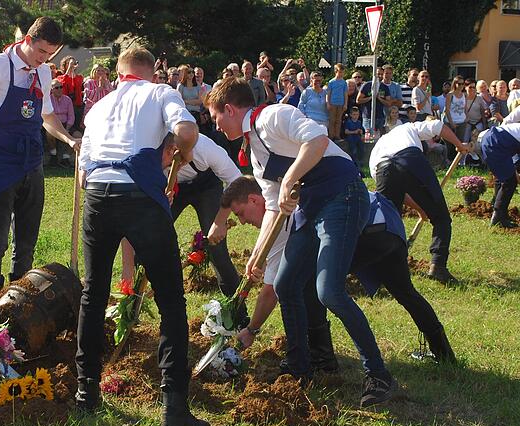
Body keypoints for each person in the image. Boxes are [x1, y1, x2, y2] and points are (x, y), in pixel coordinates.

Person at [205, 77, 395, 407]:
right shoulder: (256, 155)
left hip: (343, 196)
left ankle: (378, 374)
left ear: (230, 109)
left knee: (329, 291)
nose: (216, 125)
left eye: (216, 117)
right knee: (286, 282)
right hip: (311, 207)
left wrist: (291, 177)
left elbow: (317, 139)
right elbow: (273, 204)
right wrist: (258, 254)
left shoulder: (272, 116)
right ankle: (298, 366)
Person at [77, 46, 209, 426]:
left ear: (119, 74)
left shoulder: (98, 107)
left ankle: (86, 391)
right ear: (152, 72)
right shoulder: (160, 93)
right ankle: (174, 411)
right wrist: (181, 154)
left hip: (98, 196)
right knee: (171, 300)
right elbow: (188, 131)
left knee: (93, 293)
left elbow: (84, 170)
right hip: (138, 198)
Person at [218, 176, 456, 365]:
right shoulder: (286, 195)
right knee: (404, 291)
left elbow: (272, 291)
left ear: (254, 200)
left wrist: (251, 330)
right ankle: (443, 353)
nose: (242, 221)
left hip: (362, 229)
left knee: (308, 281)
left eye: (240, 213)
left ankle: (322, 357)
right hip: (388, 227)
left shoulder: (280, 217)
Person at [0, 17, 80, 303]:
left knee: (26, 243)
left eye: (51, 54)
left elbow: (46, 116)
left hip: (32, 162)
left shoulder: (43, 72)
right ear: (28, 40)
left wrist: (68, 139)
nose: (45, 59)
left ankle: (18, 306)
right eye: (42, 52)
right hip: (0, 162)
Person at [121, 132, 242, 297]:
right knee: (146, 240)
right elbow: (134, 215)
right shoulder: (146, 154)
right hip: (170, 190)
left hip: (207, 187)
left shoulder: (204, 147)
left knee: (216, 249)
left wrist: (219, 221)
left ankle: (237, 312)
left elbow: (236, 180)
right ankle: (131, 302)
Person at [369, 118, 471, 283]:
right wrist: (459, 145)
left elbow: (398, 190)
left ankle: (384, 267)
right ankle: (438, 266)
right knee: (441, 218)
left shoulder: (379, 145)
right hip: (410, 159)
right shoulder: (410, 127)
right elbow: (437, 126)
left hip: (382, 169)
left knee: (389, 221)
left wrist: (420, 208)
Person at [475, 123, 520, 228]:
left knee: (504, 178)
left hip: (491, 140)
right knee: (510, 181)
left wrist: (515, 170)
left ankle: (500, 213)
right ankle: (498, 217)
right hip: (495, 143)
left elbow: (516, 160)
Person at [47, 78, 75, 167]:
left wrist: (67, 128)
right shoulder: (48, 100)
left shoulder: (67, 100)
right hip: (53, 125)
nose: (59, 89)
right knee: (49, 134)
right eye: (57, 88)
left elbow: (71, 116)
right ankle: (53, 156)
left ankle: (65, 158)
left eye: (61, 87)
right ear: (51, 89)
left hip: (66, 124)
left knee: (78, 136)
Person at [58, 56, 85, 131]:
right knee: (67, 125)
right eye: (68, 63)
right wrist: (69, 68)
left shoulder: (79, 77)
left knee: (76, 126)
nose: (71, 64)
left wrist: (72, 70)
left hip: (77, 105)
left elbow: (77, 83)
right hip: (65, 105)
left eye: (73, 63)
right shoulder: (60, 77)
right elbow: (62, 83)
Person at [327, 64, 348, 141]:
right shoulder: (331, 82)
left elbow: (345, 93)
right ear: (336, 72)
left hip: (341, 103)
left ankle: (337, 135)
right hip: (333, 103)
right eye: (340, 72)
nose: (341, 74)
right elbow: (328, 93)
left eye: (342, 72)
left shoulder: (344, 82)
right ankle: (331, 135)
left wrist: (345, 104)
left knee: (338, 120)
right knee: (332, 120)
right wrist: (328, 103)